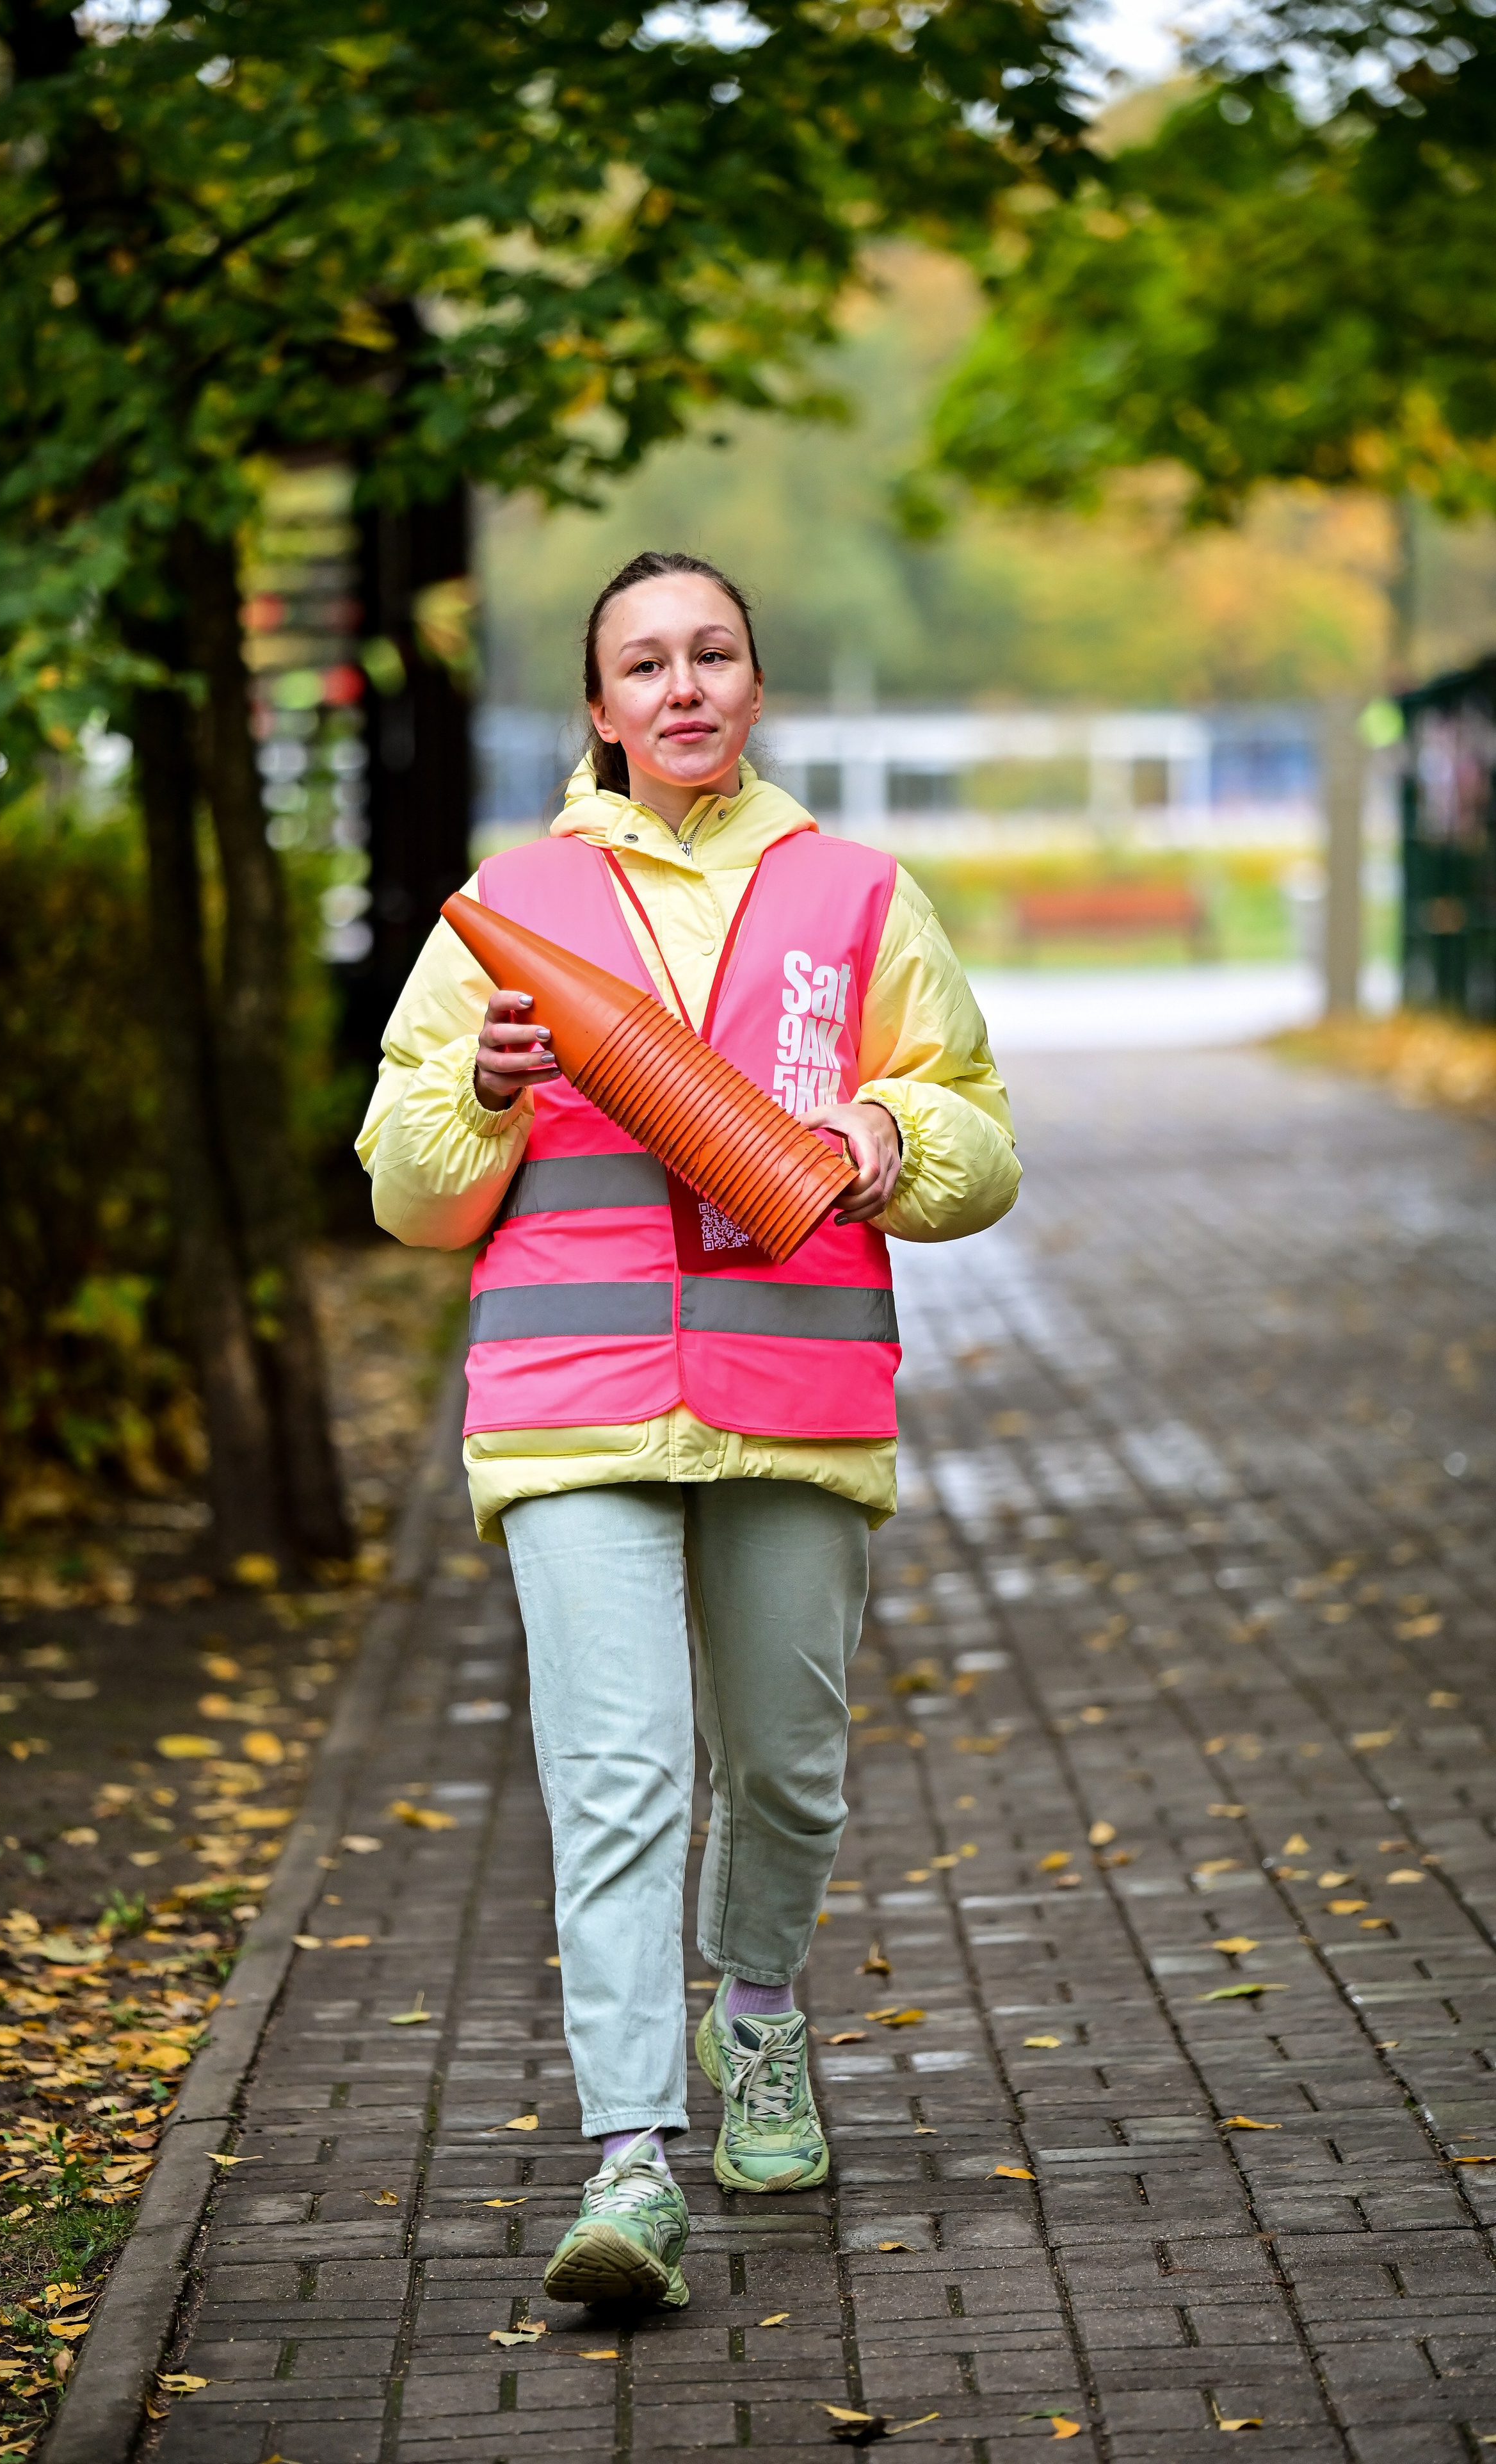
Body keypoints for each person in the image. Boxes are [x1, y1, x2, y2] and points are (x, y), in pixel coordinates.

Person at [357, 550, 1019, 2311]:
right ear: (599, 708)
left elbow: (979, 1137)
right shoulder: (507, 906)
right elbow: (409, 1193)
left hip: (795, 1398)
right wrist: (480, 1096)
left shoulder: (858, 897)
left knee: (787, 1770)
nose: (682, 686)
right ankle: (631, 2158)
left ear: (754, 682)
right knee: (620, 1777)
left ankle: (760, 2014)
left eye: (712, 653)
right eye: (643, 664)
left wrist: (889, 1138)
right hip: (570, 1410)